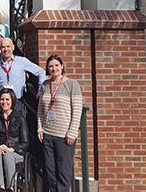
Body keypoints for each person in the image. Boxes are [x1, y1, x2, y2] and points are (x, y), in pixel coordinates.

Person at [37, 55, 82, 192]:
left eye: (56, 65)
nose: (54, 68)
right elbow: (40, 110)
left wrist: (72, 133)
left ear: (62, 66)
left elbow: (77, 110)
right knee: (50, 171)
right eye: (51, 66)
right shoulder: (45, 85)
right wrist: (40, 128)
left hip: (64, 136)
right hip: (47, 134)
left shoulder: (72, 84)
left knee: (64, 171)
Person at [0, 88, 29, 192]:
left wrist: (12, 148)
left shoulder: (20, 118)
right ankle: (1, 187)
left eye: (7, 99)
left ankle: (10, 188)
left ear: (12, 101)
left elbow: (25, 143)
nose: (4, 102)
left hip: (15, 153)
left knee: (8, 155)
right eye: (2, 99)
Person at [0, 37, 46, 112]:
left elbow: (41, 72)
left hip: (17, 103)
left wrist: (40, 90)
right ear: (0, 48)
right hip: (1, 104)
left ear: (13, 47)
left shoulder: (22, 61)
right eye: (3, 47)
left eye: (8, 46)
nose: (6, 49)